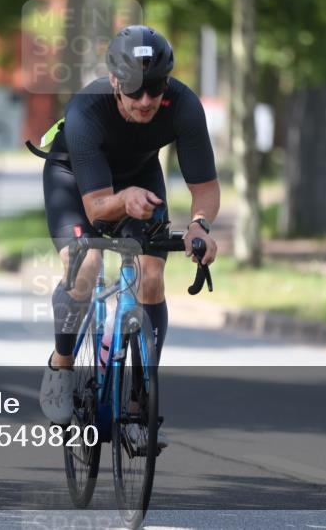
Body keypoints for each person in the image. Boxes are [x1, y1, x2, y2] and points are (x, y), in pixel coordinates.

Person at [35, 25, 220, 430]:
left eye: (155, 88)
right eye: (135, 90)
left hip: (139, 177)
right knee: (85, 268)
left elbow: (205, 187)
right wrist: (124, 199)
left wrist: (199, 226)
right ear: (115, 82)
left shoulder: (183, 106)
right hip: (75, 181)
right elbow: (97, 208)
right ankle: (61, 364)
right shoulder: (87, 108)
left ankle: (141, 391)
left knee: (151, 276)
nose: (146, 100)